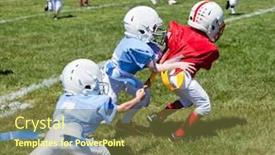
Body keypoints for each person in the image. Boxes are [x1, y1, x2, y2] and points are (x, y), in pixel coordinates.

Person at [102, 6, 195, 130]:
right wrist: (178, 64)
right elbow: (155, 68)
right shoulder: (136, 47)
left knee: (144, 97)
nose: (158, 31)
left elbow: (158, 54)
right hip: (112, 78)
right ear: (141, 30)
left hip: (125, 76)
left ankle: (124, 124)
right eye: (154, 29)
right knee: (106, 114)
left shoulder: (137, 40)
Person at [30, 59, 146, 155]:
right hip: (75, 141)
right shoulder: (97, 101)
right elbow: (122, 108)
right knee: (103, 153)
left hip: (52, 138)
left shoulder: (63, 99)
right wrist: (137, 98)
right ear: (86, 85)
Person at [147, 1, 226, 141]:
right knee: (204, 105)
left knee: (187, 100)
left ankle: (159, 116)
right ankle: (179, 135)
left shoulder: (177, 29)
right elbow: (202, 62)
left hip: (166, 73)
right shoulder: (210, 49)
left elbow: (166, 50)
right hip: (180, 78)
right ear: (211, 24)